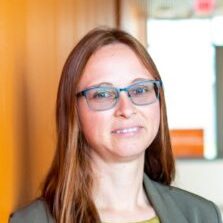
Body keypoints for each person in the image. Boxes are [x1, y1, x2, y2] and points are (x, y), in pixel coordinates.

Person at [9, 27, 222, 223]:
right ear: (73, 112)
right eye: (102, 94)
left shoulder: (202, 215)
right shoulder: (30, 221)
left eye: (139, 90)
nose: (126, 109)